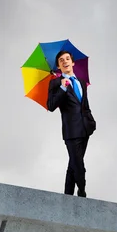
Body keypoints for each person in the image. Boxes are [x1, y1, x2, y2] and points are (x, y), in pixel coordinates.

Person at [47, 50, 96, 197]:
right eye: (61, 60)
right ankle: (81, 191)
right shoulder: (55, 82)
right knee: (79, 166)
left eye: (67, 59)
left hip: (86, 128)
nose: (65, 61)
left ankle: (67, 196)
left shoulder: (81, 82)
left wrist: (92, 122)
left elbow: (84, 104)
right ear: (58, 66)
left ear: (73, 63)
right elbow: (50, 105)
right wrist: (62, 88)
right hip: (71, 131)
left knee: (72, 165)